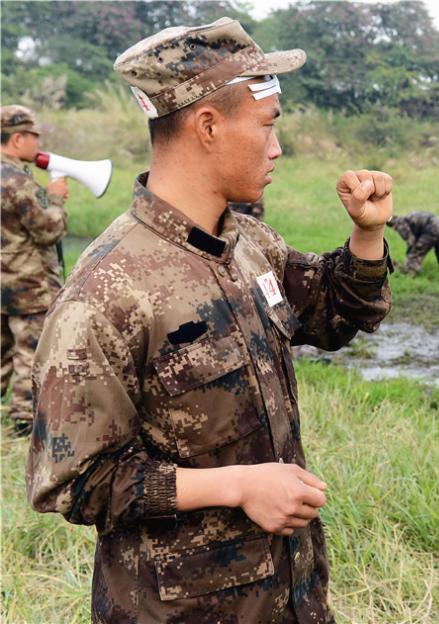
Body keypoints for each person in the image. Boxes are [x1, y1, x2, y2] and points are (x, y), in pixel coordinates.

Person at [26, 18, 392, 623]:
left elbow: (331, 311)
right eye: (268, 127)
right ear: (207, 125)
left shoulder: (246, 243)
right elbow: (73, 479)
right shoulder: (108, 291)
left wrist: (367, 232)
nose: (277, 149)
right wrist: (239, 486)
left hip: (288, 594)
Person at [1, 105, 70, 437]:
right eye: (33, 136)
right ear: (17, 139)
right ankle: (23, 424)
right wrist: (55, 200)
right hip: (26, 282)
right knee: (30, 351)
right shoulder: (17, 182)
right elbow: (48, 231)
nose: (37, 143)